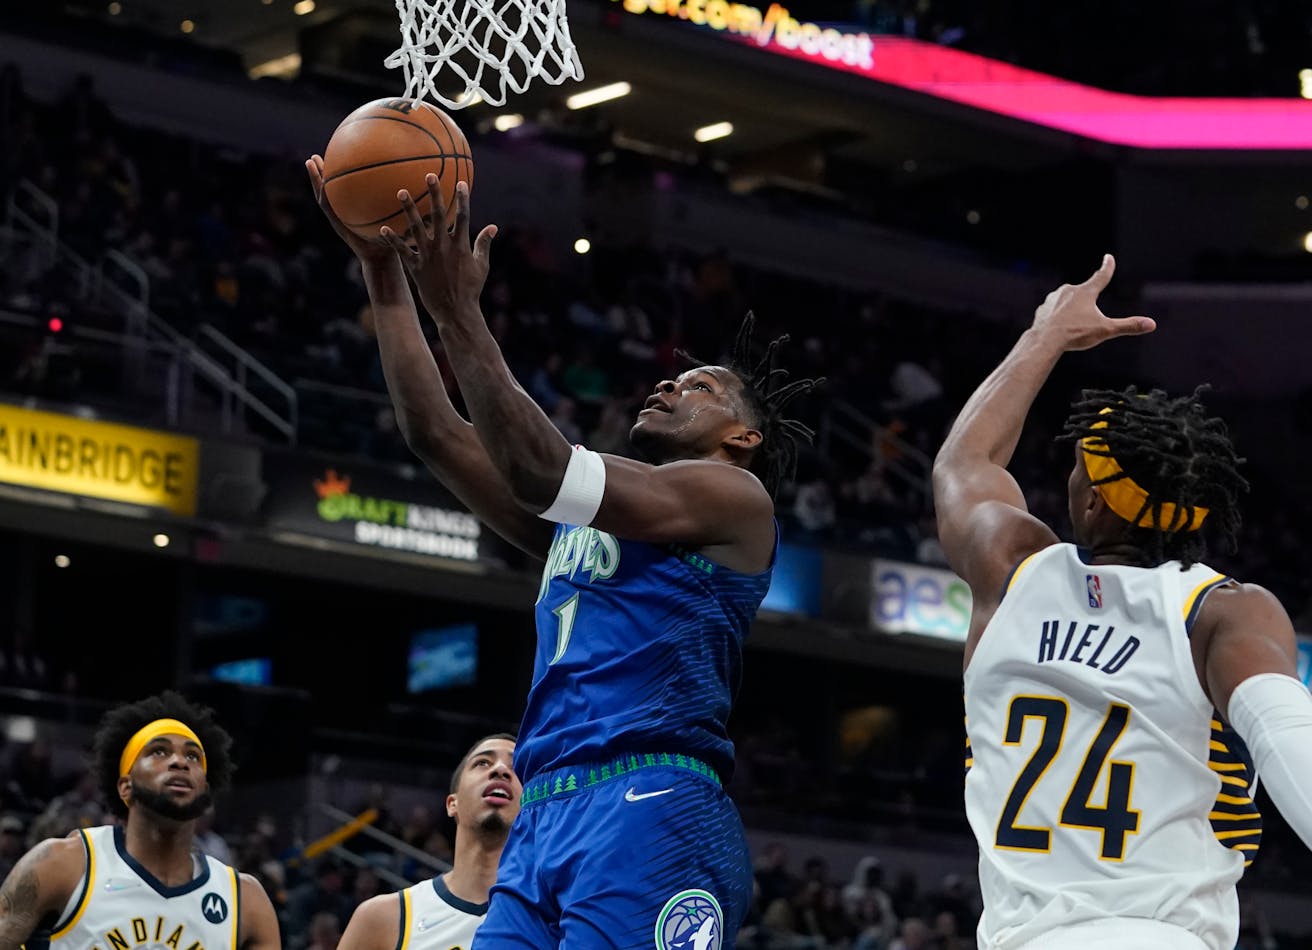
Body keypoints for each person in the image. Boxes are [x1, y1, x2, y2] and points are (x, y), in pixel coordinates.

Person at [305, 163, 820, 949]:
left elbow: (543, 467)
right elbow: (435, 434)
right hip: (546, 814)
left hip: (652, 802)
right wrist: (383, 273)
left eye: (701, 387)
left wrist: (458, 311)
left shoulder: (733, 498)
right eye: (672, 377)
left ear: (742, 437)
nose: (669, 386)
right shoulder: (582, 529)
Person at [933, 254, 1312, 950]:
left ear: (1093, 499)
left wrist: (1045, 336)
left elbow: (966, 464)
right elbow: (1291, 739)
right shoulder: (1221, 612)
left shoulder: (1008, 568)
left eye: (1077, 463)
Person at [0, 691, 281, 949]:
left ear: (204, 790)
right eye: (159, 751)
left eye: (193, 756)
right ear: (126, 786)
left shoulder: (246, 901)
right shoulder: (61, 864)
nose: (180, 762)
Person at [335, 734, 521, 950]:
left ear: (531, 805)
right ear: (453, 803)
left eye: (516, 767)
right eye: (482, 763)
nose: (500, 770)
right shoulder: (381, 919)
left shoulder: (552, 919)